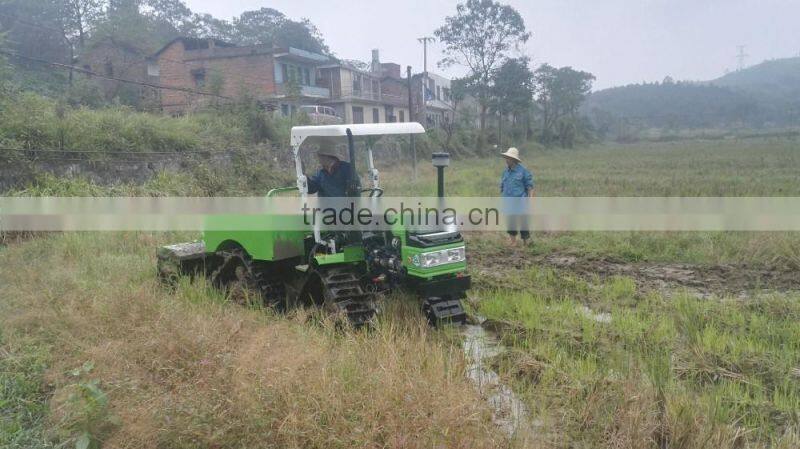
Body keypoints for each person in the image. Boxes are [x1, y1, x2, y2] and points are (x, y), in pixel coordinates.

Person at [499, 147, 534, 246]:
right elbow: (502, 186)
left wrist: (530, 201)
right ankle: (513, 241)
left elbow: (530, 187)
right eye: (506, 158)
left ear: (514, 159)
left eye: (508, 158)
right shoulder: (505, 172)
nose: (506, 160)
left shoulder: (523, 171)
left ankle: (526, 242)